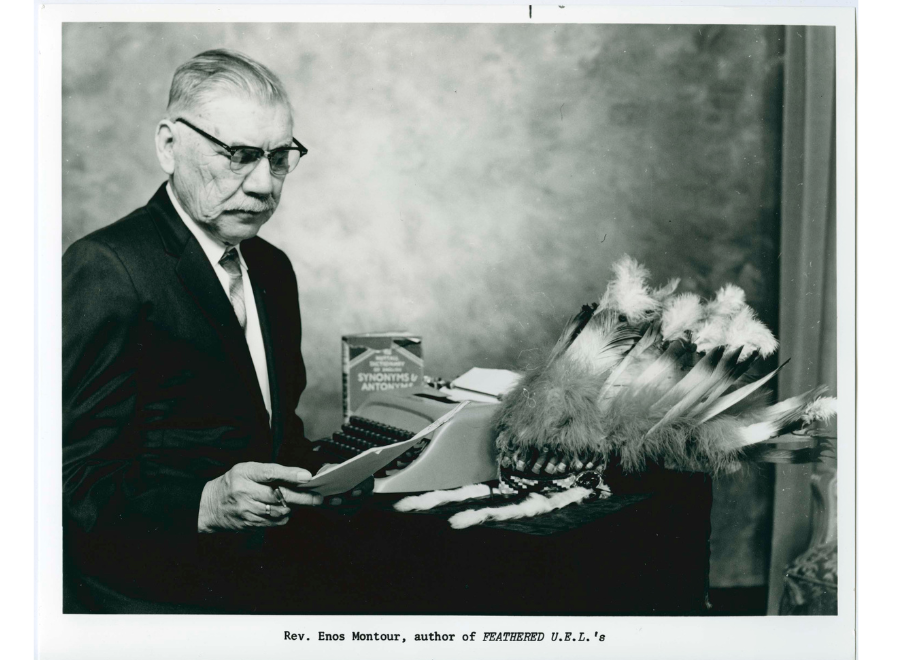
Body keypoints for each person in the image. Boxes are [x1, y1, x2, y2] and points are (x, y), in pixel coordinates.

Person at [63, 48, 366, 613]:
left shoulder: (272, 268)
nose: (262, 185)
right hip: (150, 601)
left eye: (279, 159)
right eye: (240, 155)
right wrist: (201, 505)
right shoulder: (106, 267)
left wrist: (347, 472)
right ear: (168, 145)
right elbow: (65, 484)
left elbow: (274, 437)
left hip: (263, 580)